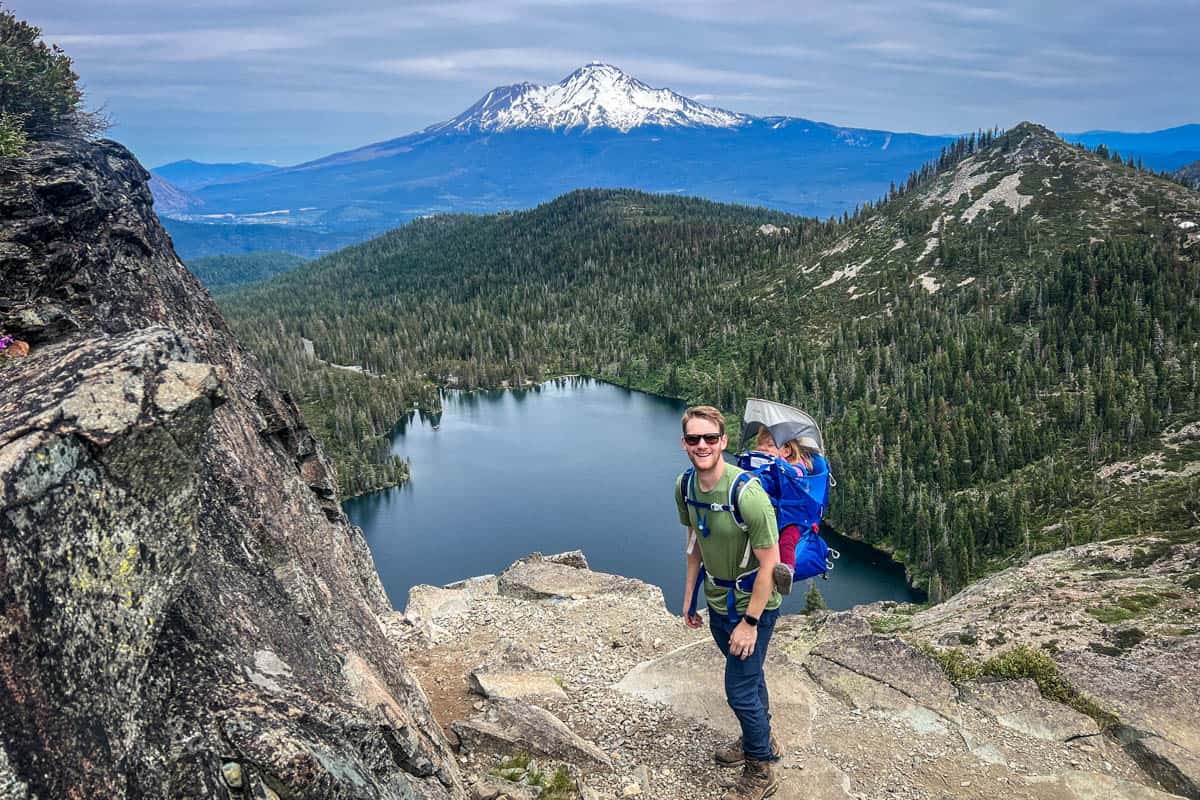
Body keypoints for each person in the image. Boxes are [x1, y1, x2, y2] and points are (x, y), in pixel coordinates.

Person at [675, 405, 782, 800]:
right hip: (718, 604)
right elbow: (694, 547)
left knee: (738, 689)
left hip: (753, 607)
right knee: (749, 677)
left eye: (709, 438)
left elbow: (770, 565)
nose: (701, 445)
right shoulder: (685, 487)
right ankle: (763, 739)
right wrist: (689, 600)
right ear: (684, 443)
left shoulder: (747, 495)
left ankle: (760, 769)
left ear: (723, 442)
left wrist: (750, 623)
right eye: (693, 438)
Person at [750, 425, 819, 596]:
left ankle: (787, 572)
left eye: (770, 445)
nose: (763, 448)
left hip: (796, 519)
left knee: (787, 541)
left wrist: (777, 464)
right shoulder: (770, 466)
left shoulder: (797, 467)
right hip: (776, 514)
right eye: (760, 444)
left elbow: (793, 475)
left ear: (787, 450)